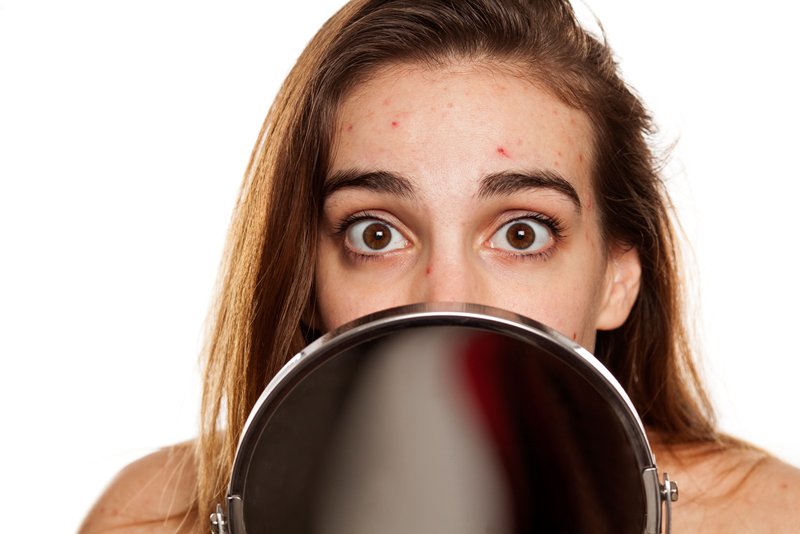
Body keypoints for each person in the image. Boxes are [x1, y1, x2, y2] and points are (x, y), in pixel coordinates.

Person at [79, 0, 800, 532]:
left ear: (617, 278)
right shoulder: (146, 519)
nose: (446, 297)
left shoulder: (772, 520)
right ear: (307, 277)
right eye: (376, 234)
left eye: (521, 233)